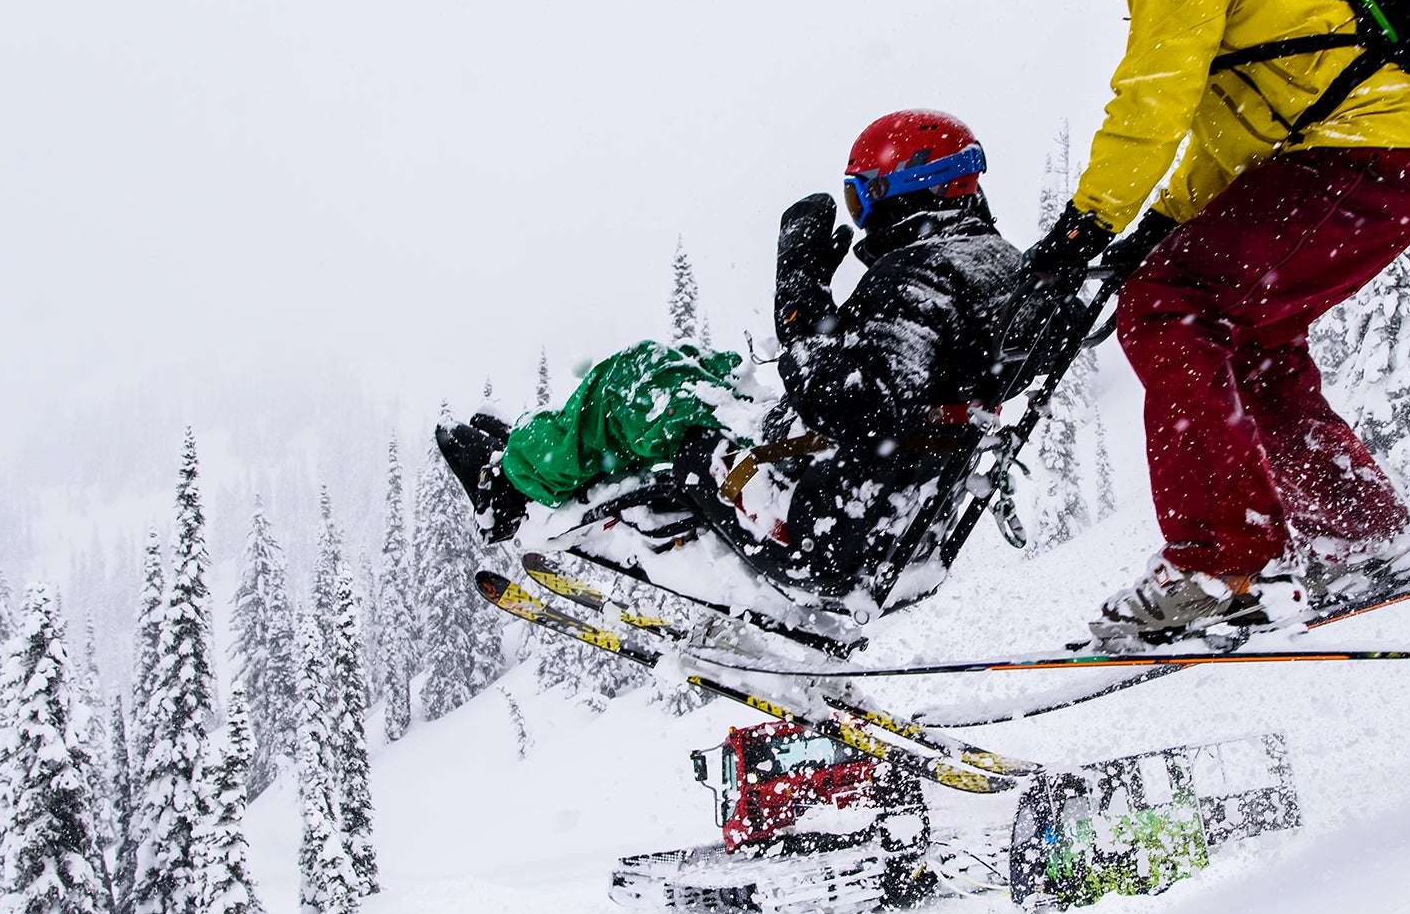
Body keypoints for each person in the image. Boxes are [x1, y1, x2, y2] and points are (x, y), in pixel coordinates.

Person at [1012, 0, 1410, 645]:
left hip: (1354, 159)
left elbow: (1150, 105)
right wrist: (1156, 225)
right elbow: (1231, 124)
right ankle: (1358, 535)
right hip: (1369, 161)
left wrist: (1084, 230)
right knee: (1247, 345)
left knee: (1167, 309)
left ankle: (1220, 564)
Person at [437, 109, 1020, 599]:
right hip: (869, 495)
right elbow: (901, 384)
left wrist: (799, 294)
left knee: (638, 385)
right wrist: (818, 306)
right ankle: (536, 446)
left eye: (860, 194)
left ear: (904, 190)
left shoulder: (922, 280)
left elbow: (855, 407)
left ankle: (505, 485)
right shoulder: (988, 266)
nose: (859, 214)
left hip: (816, 523)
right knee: (706, 370)